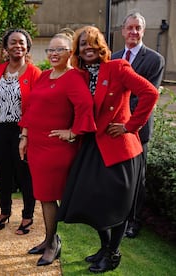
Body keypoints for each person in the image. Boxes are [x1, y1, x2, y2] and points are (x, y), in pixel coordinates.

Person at [57, 26, 159, 273]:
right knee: (94, 204)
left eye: (93, 42)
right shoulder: (78, 75)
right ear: (77, 50)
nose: (88, 47)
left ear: (101, 46)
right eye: (83, 44)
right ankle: (104, 247)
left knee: (116, 206)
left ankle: (113, 254)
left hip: (118, 149)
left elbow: (150, 92)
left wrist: (130, 126)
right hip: (92, 147)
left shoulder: (118, 67)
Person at [19, 32, 96, 266]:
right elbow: (31, 109)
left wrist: (73, 132)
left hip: (56, 149)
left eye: (59, 49)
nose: (53, 54)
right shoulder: (44, 76)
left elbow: (85, 106)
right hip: (37, 146)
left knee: (49, 196)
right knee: (43, 196)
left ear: (70, 53)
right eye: (50, 50)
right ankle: (48, 239)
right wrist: (24, 136)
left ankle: (53, 243)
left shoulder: (74, 77)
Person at [111, 12, 165, 238]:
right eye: (130, 28)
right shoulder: (113, 58)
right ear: (122, 31)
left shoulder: (154, 60)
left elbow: (143, 96)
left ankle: (133, 222)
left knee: (136, 178)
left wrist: (126, 122)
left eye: (138, 28)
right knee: (118, 176)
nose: (133, 32)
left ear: (143, 32)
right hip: (114, 129)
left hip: (138, 129)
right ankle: (115, 217)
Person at [0, 29, 40, 235]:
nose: (18, 46)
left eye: (22, 43)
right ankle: (4, 212)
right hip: (0, 129)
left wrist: (26, 132)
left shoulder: (34, 73)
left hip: (22, 130)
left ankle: (27, 215)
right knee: (3, 173)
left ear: (27, 46)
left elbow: (36, 106)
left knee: (24, 173)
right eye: (13, 43)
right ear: (6, 48)